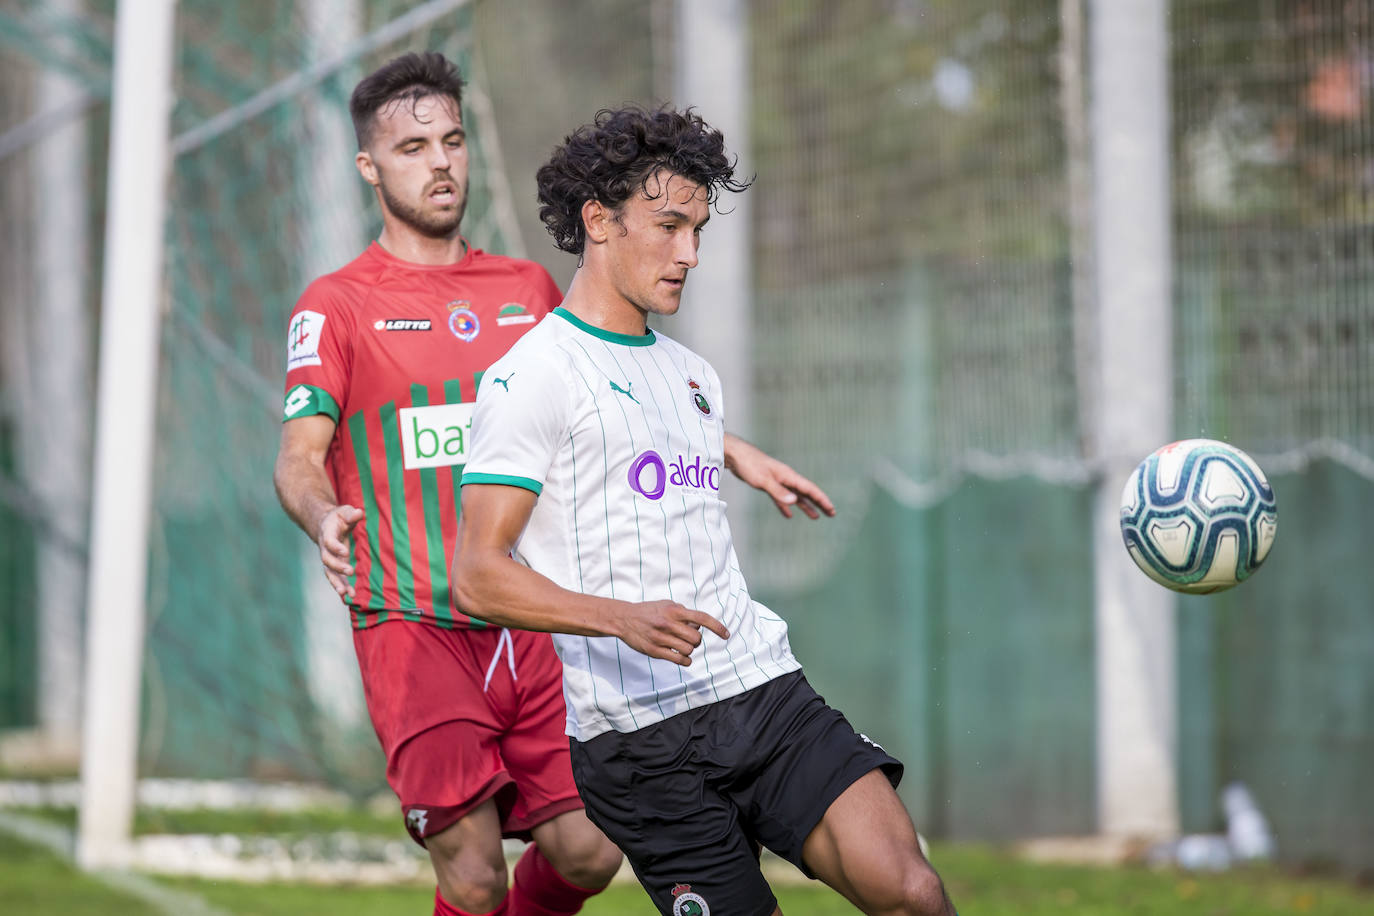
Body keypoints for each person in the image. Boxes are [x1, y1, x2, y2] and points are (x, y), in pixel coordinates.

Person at [273, 54, 836, 916]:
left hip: (530, 619)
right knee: (471, 872)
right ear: (369, 167)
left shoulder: (524, 289)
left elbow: (606, 395)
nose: (440, 161)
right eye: (413, 145)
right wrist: (323, 516)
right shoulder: (338, 304)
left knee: (586, 852)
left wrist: (730, 449)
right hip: (415, 623)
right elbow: (300, 454)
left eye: (452, 140)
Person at [451, 105, 957, 916]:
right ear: (598, 221)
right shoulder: (530, 377)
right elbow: (476, 576)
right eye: (669, 226)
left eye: (698, 230)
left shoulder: (692, 375)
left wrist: (736, 450)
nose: (689, 253)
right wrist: (619, 618)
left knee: (912, 889)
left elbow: (644, 426)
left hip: (758, 690)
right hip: (638, 743)